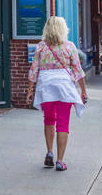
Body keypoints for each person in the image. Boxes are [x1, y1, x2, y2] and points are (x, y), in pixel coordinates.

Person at [26, 15, 88, 171]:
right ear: (63, 29)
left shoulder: (40, 47)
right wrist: (83, 91)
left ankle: (49, 152)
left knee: (48, 120)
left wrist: (30, 90)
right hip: (64, 88)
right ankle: (60, 161)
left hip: (46, 87)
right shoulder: (69, 46)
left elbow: (34, 70)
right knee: (63, 123)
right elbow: (78, 71)